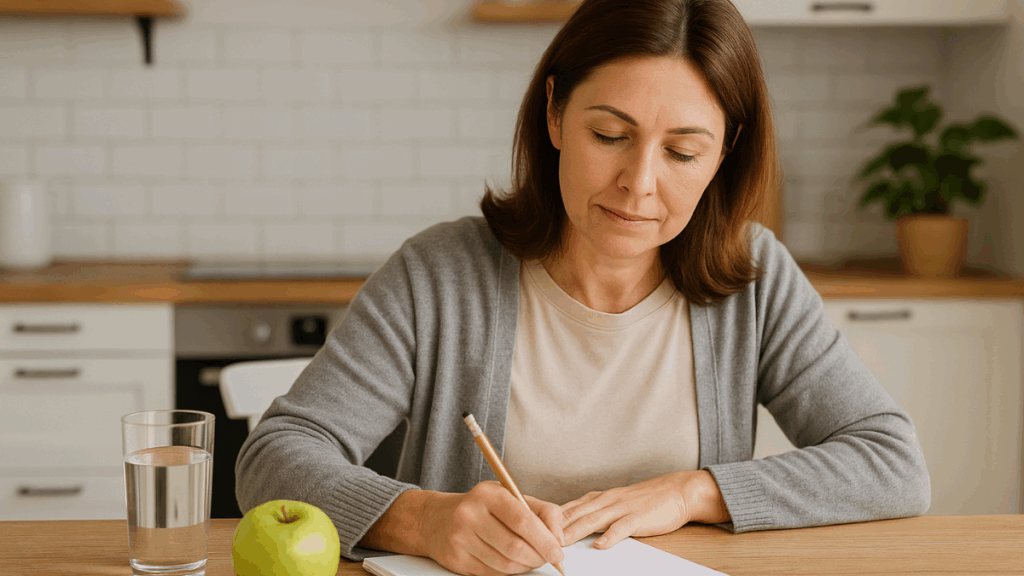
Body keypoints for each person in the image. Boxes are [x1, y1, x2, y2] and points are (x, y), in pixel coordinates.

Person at [235, 0, 931, 574]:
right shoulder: (440, 275)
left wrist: (698, 491)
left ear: (724, 153)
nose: (640, 182)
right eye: (609, 134)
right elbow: (274, 458)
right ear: (554, 115)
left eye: (684, 151)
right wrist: (420, 518)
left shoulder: (756, 278)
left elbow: (891, 462)